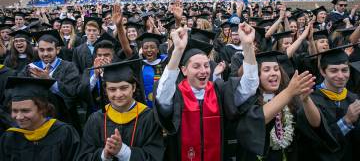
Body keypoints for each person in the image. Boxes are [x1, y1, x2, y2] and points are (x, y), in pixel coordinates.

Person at [154, 23, 259, 161]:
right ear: (184, 70)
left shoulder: (219, 91)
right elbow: (162, 96)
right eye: (196, 66)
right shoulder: (176, 95)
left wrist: (247, 46)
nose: (203, 71)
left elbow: (249, 87)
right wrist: (178, 50)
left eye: (206, 65)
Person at [224, 51, 315, 160]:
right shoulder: (248, 101)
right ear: (256, 75)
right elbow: (257, 119)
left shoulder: (291, 100)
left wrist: (306, 99)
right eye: (266, 70)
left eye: (276, 69)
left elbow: (311, 126)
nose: (273, 73)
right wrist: (289, 92)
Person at [75, 59, 164, 161]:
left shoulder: (150, 118)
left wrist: (123, 152)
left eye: (124, 88)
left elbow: (156, 156)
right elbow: (83, 156)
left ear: (134, 87)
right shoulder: (95, 119)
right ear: (106, 90)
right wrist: (104, 155)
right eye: (112, 89)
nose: (118, 94)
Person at [297, 45, 360, 161]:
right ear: (322, 71)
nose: (341, 76)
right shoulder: (310, 101)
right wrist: (346, 121)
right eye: (334, 70)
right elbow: (316, 142)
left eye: (344, 70)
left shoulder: (353, 98)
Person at [0, 76, 80, 161]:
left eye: (25, 111)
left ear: (42, 109)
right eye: (15, 111)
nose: (19, 117)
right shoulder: (10, 137)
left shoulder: (64, 133)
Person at [18, 29, 81, 131]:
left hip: (63, 119)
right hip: (35, 120)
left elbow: (72, 92)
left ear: (58, 50)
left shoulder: (69, 67)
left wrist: (49, 80)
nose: (45, 53)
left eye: (49, 49)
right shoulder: (30, 68)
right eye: (41, 50)